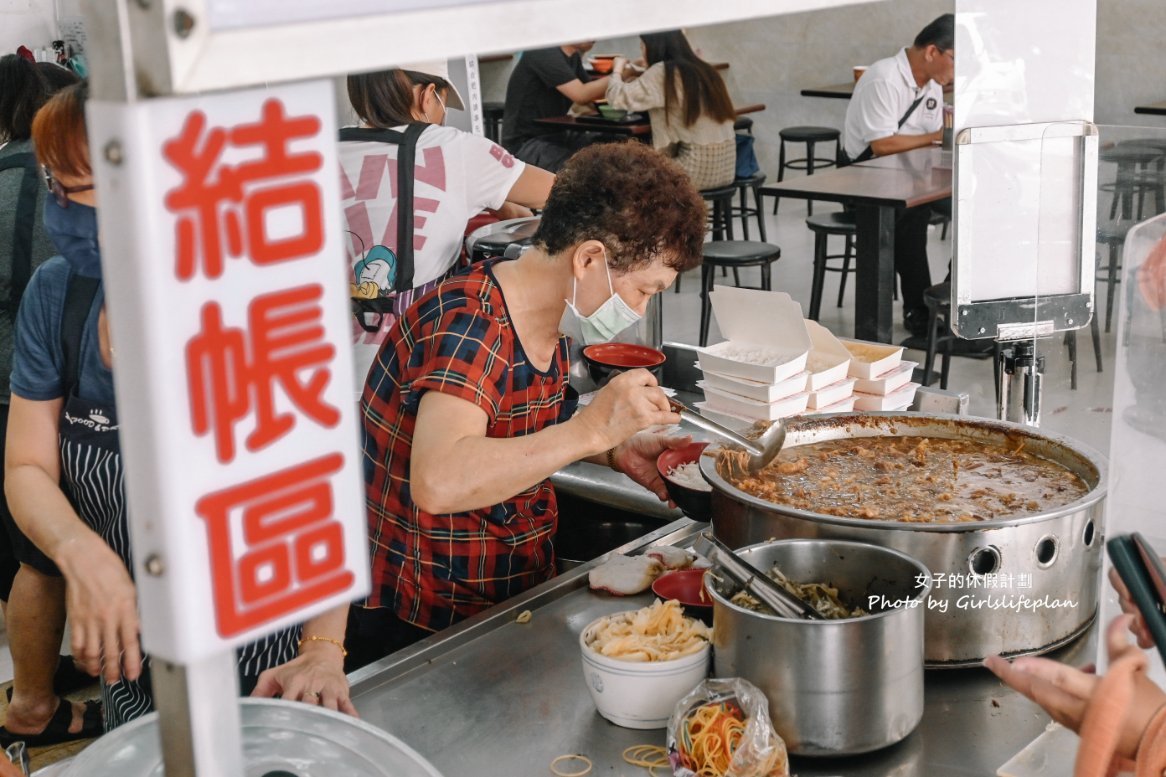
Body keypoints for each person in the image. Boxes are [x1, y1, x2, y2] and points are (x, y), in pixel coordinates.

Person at [4, 83, 355, 741]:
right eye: (65, 191)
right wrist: (78, 549)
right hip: (133, 667)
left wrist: (324, 647)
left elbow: (323, 489)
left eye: (96, 190)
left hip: (270, 667)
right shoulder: (59, 299)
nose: (82, 217)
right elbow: (25, 463)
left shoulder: (258, 303)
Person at [349, 141, 704, 668]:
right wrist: (589, 431)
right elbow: (439, 479)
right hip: (426, 634)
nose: (640, 309)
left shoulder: (548, 321)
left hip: (504, 602)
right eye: (644, 291)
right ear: (588, 259)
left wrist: (614, 450)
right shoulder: (468, 324)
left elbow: (523, 427)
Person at [341, 61, 555, 377]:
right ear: (428, 96)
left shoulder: (312, 150)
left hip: (319, 378)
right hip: (408, 373)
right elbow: (566, 191)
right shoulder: (457, 149)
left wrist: (496, 198)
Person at [0, 55, 95, 748]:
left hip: (17, 390)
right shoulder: (61, 287)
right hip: (40, 392)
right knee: (39, 552)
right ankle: (36, 698)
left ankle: (34, 691)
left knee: (26, 559)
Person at [841, 13, 954, 338]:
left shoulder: (932, 84)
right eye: (955, 60)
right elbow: (882, 144)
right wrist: (934, 137)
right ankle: (919, 313)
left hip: (912, 175)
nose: (956, 71)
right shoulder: (884, 78)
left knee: (972, 212)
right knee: (910, 214)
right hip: (864, 180)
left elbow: (929, 135)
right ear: (932, 52)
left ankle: (947, 301)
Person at [604, 30, 736, 190]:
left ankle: (648, 216)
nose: (642, 51)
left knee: (625, 176)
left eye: (642, 46)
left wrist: (617, 69)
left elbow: (617, 98)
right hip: (725, 168)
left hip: (693, 168)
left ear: (654, 47)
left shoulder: (663, 71)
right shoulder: (703, 68)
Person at [501, 42, 611, 172]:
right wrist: (620, 75)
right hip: (526, 143)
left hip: (558, 135)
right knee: (585, 169)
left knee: (611, 152)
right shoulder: (542, 51)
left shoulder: (573, 57)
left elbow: (592, 98)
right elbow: (581, 94)